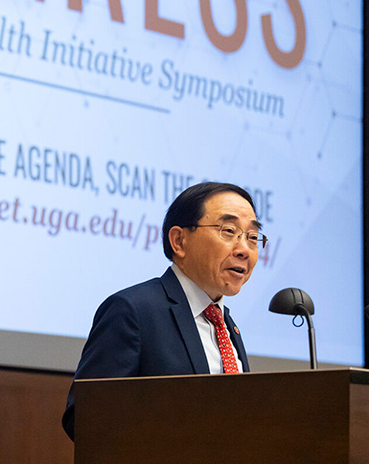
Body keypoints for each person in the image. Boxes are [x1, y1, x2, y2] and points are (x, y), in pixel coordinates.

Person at [61, 182, 264, 440]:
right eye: (228, 230)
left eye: (253, 237)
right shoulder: (133, 311)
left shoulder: (227, 326)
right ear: (179, 240)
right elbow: (85, 418)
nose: (244, 250)